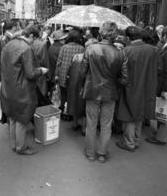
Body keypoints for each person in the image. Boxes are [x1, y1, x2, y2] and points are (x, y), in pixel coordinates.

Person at [0, 26, 48, 155]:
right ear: (31, 36)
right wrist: (41, 70)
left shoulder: (8, 44)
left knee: (12, 116)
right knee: (22, 119)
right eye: (34, 39)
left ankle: (14, 144)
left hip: (8, 87)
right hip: (22, 89)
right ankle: (21, 147)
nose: (33, 42)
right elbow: (30, 73)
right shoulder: (26, 49)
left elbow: (2, 67)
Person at [80, 21, 129, 163]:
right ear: (114, 34)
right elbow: (125, 79)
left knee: (91, 123)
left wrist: (85, 85)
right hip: (110, 92)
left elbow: (82, 72)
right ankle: (102, 153)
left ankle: (90, 153)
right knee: (106, 124)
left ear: (101, 32)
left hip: (92, 90)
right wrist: (114, 84)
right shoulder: (120, 53)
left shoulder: (90, 49)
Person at [116, 26, 160, 152]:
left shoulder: (126, 51)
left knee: (129, 114)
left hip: (131, 86)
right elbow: (158, 69)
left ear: (128, 38)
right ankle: (135, 140)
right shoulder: (154, 50)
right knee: (140, 113)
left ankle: (129, 143)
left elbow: (120, 71)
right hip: (147, 86)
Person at [55, 28, 85, 121]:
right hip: (75, 76)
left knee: (64, 95)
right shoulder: (82, 48)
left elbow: (59, 63)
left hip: (63, 74)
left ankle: (64, 113)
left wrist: (56, 74)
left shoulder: (64, 47)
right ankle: (72, 114)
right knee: (73, 96)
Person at [146, 26, 167, 145]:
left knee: (164, 112)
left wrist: (165, 90)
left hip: (164, 86)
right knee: (163, 111)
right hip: (162, 84)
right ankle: (160, 134)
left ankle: (161, 137)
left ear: (164, 36)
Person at [0, 20, 18, 86]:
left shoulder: (8, 37)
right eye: (17, 26)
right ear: (14, 27)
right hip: (7, 65)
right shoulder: (5, 38)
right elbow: (6, 54)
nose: (18, 28)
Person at [32, 27, 50, 95]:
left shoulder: (26, 43)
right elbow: (44, 61)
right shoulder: (41, 44)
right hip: (40, 72)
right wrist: (48, 75)